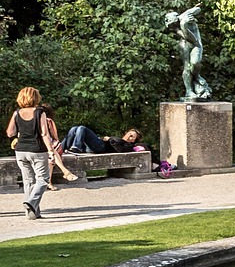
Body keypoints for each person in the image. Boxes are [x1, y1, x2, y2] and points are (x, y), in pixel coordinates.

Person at [8, 87, 60, 219]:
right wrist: (50, 150)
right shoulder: (39, 112)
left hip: (20, 150)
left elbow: (10, 133)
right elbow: (44, 134)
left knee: (28, 181)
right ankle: (30, 202)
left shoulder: (17, 113)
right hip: (37, 150)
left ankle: (32, 213)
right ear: (35, 98)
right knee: (43, 179)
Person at [61, 125, 142, 155]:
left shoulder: (129, 146)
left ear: (133, 141)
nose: (129, 136)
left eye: (132, 136)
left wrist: (110, 139)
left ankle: (76, 148)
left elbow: (119, 150)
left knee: (82, 128)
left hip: (101, 147)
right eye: (129, 133)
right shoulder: (120, 139)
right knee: (74, 129)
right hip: (93, 146)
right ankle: (61, 148)